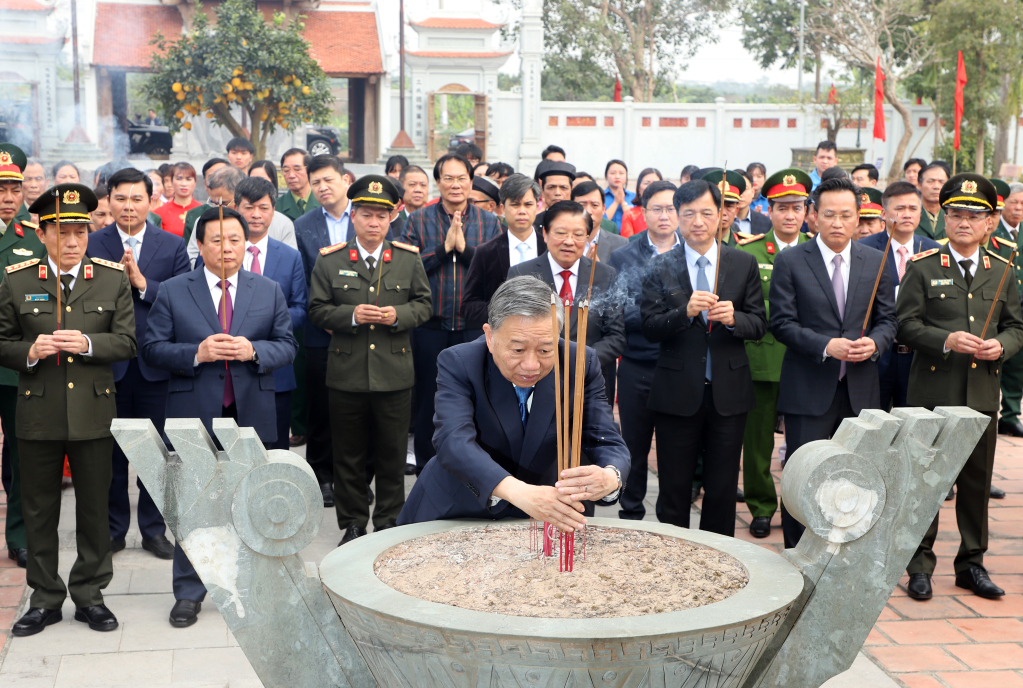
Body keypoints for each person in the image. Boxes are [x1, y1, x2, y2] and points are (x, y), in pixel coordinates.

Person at [142, 206, 297, 628]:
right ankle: (189, 593)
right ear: (200, 244)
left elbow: (288, 345)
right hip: (194, 416)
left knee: (252, 506)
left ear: (245, 245)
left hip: (253, 414)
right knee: (193, 507)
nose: (226, 248)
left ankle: (254, 590)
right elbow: (151, 349)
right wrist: (196, 353)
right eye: (216, 240)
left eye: (234, 240)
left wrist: (256, 351)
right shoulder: (174, 291)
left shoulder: (267, 290)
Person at [1, 184, 137, 637]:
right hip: (37, 412)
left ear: (89, 231)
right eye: (62, 231)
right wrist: (31, 351)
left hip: (93, 413)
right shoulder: (18, 279)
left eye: (80, 230)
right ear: (43, 233)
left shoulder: (111, 277)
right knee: (40, 509)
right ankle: (44, 598)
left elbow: (128, 342)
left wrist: (88, 343)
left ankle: (90, 595)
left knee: (95, 509)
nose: (73, 240)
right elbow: (2, 343)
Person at [397, 275, 629, 528]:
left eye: (545, 350)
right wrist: (520, 493)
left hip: (546, 509)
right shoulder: (459, 362)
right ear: (489, 336)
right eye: (517, 350)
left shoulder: (579, 362)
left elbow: (604, 436)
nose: (531, 365)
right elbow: (453, 442)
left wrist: (610, 476)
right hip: (460, 505)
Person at [897, 173, 1023, 601]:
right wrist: (946, 340)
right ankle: (919, 565)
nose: (964, 222)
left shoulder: (1003, 270)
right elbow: (906, 325)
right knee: (927, 483)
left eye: (974, 216)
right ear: (946, 219)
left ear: (990, 222)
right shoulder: (923, 266)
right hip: (932, 394)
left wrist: (1000, 346)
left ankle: (972, 563)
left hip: (982, 394)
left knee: (975, 484)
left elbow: (1016, 327)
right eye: (955, 214)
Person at [770, 176, 898, 548]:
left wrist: (874, 344)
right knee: (802, 476)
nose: (837, 223)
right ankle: (797, 554)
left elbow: (889, 320)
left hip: (861, 389)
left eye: (846, 215)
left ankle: (845, 550)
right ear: (813, 216)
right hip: (808, 388)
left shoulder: (876, 261)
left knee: (857, 476)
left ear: (859, 218)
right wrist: (827, 345)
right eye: (829, 214)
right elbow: (781, 323)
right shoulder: (791, 260)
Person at [307, 175, 432, 544]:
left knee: (393, 456)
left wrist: (397, 317)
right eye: (365, 214)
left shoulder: (407, 259)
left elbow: (424, 305)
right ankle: (353, 522)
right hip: (346, 374)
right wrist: (349, 316)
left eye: (381, 215)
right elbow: (316, 310)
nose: (373, 222)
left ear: (391, 217)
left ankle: (389, 522)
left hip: (394, 374)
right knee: (348, 456)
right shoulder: (331, 260)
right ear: (353, 217)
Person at [640, 179, 767, 536]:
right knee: (674, 487)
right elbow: (648, 326)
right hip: (677, 393)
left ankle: (722, 559)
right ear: (678, 217)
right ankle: (673, 559)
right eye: (689, 213)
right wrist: (684, 313)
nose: (698, 221)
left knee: (723, 486)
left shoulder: (742, 263)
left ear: (723, 215)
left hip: (729, 392)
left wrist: (734, 319)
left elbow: (759, 324)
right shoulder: (660, 266)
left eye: (707, 213)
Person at [86, 167, 189, 559]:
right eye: (121, 198)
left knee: (157, 453)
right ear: (109, 201)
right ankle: (114, 529)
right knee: (110, 453)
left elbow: (183, 299)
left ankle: (153, 529)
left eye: (137, 198)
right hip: (106, 366)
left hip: (154, 365)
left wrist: (143, 283)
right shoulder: (93, 243)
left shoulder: (172, 245)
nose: (129, 206)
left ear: (152, 200)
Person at [399, 153, 502, 474]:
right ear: (438, 182)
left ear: (471, 182)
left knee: (478, 401)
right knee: (429, 400)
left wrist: (465, 251)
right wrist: (444, 250)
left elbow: (497, 272)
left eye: (462, 179)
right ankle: (428, 471)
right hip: (430, 326)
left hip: (476, 327)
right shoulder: (417, 221)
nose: (456, 185)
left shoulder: (489, 222)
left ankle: (476, 472)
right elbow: (405, 269)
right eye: (449, 178)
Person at [734, 169, 813, 539]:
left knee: (805, 442)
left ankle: (800, 507)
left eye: (797, 207)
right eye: (782, 207)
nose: (790, 215)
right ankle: (762, 507)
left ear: (806, 210)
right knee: (759, 441)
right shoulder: (749, 251)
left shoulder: (817, 250)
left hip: (807, 360)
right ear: (769, 209)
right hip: (763, 361)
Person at [607, 180, 680, 521]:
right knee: (634, 446)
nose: (664, 216)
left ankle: (672, 520)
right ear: (643, 212)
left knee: (675, 449)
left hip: (681, 366)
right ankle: (630, 512)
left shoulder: (692, 253)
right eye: (657, 208)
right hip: (638, 364)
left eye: (671, 208)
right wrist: (671, 315)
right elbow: (620, 310)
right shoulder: (624, 255)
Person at [509, 199, 626, 409]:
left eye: (578, 235)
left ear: (588, 238)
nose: (569, 241)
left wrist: (581, 361)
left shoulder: (604, 275)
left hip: (589, 383)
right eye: (561, 233)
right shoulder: (521, 274)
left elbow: (616, 335)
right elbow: (512, 331)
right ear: (545, 233)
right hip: (536, 382)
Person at [220, 177, 306, 451]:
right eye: (249, 207)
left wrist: (261, 327)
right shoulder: (219, 252)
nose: (256, 214)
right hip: (225, 372)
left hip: (273, 371)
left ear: (274, 209)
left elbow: (301, 309)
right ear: (236, 207)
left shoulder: (290, 256)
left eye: (264, 207)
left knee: (272, 452)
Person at [294, 155, 354, 504]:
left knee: (358, 407)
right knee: (322, 407)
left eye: (328, 180)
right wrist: (327, 320)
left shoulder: (367, 217)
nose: (322, 187)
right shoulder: (304, 225)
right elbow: (302, 282)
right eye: (315, 182)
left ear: (345, 179)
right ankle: (322, 476)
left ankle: (356, 476)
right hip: (321, 333)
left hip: (363, 332)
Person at [0, 144, 46, 570]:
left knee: (20, 454)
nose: (8, 196)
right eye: (0, 187)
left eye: (14, 187)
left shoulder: (32, 238)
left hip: (15, 365)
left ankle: (19, 536)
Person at [858, 181, 940, 413]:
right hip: (877, 356)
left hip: (918, 357)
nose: (907, 214)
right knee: (873, 425)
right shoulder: (864, 249)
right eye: (899, 208)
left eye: (913, 209)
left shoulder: (934, 251)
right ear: (884, 213)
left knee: (914, 427)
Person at [461, 174, 546, 330]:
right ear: (502, 208)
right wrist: (505, 310)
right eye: (515, 205)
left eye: (528, 204)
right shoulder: (486, 252)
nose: (522, 211)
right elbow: (468, 307)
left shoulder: (548, 249)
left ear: (538, 206)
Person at [992, 181, 1023, 439]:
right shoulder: (991, 231)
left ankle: (1011, 415)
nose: (1019, 208)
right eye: (1014, 202)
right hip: (997, 305)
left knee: (1018, 364)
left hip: (1020, 310)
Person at [184, 166, 246, 262]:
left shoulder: (256, 221)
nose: (217, 209)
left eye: (223, 204)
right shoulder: (203, 221)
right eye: (213, 203)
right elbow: (191, 256)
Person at [570, 182, 629, 261]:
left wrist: (600, 270)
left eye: (594, 205)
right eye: (582, 205)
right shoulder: (561, 241)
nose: (588, 211)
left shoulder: (620, 243)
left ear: (603, 209)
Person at [697, 169, 748, 247]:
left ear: (736, 211)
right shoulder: (695, 242)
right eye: (718, 206)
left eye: (729, 206)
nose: (723, 213)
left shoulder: (745, 245)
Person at [154, 162, 201, 237]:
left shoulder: (203, 211)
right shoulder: (158, 213)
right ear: (172, 182)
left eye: (188, 179)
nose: (184, 184)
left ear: (195, 183)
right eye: (179, 178)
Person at [277, 149, 320, 221]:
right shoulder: (277, 206)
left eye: (297, 169)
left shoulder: (324, 203)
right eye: (286, 170)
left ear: (309, 171)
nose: (291, 175)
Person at [620, 168, 662, 238]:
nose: (650, 187)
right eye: (646, 183)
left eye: (655, 183)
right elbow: (628, 245)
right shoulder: (630, 215)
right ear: (639, 189)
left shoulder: (670, 212)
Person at [533, 160, 576, 229]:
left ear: (571, 191)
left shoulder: (582, 221)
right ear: (543, 192)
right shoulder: (533, 224)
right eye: (551, 187)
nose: (557, 193)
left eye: (563, 187)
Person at [917, 162, 950, 241]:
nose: (936, 186)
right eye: (930, 181)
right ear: (919, 185)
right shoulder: (911, 215)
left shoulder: (953, 216)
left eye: (941, 182)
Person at [734, 169, 771, 237]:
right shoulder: (722, 220)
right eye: (736, 189)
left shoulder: (766, 223)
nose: (740, 194)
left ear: (752, 192)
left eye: (745, 189)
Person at [603, 159, 634, 231]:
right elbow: (601, 222)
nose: (617, 176)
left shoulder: (634, 197)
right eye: (613, 173)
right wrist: (616, 202)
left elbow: (635, 221)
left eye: (621, 173)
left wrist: (623, 202)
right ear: (606, 176)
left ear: (626, 176)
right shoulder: (600, 196)